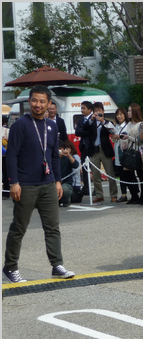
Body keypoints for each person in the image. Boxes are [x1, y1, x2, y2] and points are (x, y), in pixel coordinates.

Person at [3, 84, 75, 283]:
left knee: (52, 227)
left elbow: (54, 157)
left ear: (49, 104)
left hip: (48, 184)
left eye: (42, 101)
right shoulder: (20, 125)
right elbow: (11, 157)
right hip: (25, 185)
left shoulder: (51, 126)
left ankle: (57, 265)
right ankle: (10, 267)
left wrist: (58, 181)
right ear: (29, 102)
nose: (38, 104)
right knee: (19, 228)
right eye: (34, 100)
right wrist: (14, 183)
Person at [83, 102, 118, 203]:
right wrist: (91, 119)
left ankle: (113, 194)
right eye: (96, 111)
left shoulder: (107, 122)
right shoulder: (91, 122)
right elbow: (84, 128)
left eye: (99, 110)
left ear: (103, 111)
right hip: (94, 149)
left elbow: (113, 131)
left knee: (110, 173)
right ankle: (99, 194)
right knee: (95, 174)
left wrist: (102, 121)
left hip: (105, 149)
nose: (98, 112)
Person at [122, 103, 143, 203]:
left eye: (129, 111)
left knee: (140, 173)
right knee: (127, 172)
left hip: (138, 150)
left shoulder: (141, 124)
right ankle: (134, 195)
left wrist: (129, 138)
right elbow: (124, 135)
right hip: (129, 150)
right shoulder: (128, 124)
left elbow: (140, 140)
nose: (128, 113)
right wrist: (123, 140)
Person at [74, 100, 94, 196]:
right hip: (84, 146)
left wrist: (84, 131)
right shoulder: (81, 120)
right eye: (81, 108)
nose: (82, 110)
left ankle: (96, 189)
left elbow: (93, 131)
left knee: (94, 168)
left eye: (84, 108)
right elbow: (77, 132)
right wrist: (86, 132)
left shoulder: (94, 119)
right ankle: (86, 187)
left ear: (90, 110)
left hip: (92, 146)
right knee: (85, 168)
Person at [111, 107, 130, 203]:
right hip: (118, 152)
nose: (119, 116)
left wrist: (119, 136)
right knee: (121, 175)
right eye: (117, 115)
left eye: (121, 114)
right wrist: (114, 137)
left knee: (128, 174)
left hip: (126, 152)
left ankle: (134, 193)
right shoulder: (115, 126)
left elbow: (128, 136)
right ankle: (123, 194)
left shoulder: (128, 125)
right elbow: (114, 139)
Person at [58, 140, 79, 207]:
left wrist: (69, 156)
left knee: (65, 189)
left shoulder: (67, 157)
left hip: (66, 183)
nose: (59, 150)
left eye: (61, 148)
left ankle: (66, 200)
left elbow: (76, 165)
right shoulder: (52, 158)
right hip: (54, 183)